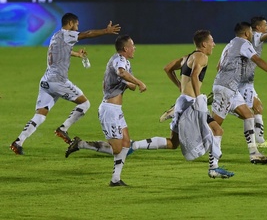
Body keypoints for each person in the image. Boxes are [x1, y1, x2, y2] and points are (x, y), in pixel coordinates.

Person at [124, 30, 234, 179]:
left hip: (182, 101)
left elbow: (167, 68)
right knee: (217, 130)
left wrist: (180, 86)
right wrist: (199, 96)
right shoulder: (202, 57)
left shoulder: (186, 57)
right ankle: (214, 168)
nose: (213, 45)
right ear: (204, 44)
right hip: (191, 104)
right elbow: (195, 75)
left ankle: (135, 145)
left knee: (173, 143)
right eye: (211, 41)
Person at [10, 13, 121, 155]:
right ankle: (63, 129)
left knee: (41, 114)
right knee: (84, 103)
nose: (77, 28)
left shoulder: (56, 36)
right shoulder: (67, 34)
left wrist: (77, 54)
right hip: (58, 81)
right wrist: (106, 31)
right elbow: (87, 34)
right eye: (76, 25)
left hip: (46, 80)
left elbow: (61, 51)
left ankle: (18, 142)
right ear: (70, 23)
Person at [67, 35, 147, 186]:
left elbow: (123, 79)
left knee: (126, 144)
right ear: (125, 49)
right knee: (117, 148)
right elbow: (122, 73)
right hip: (109, 110)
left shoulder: (122, 62)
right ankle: (81, 144)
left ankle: (115, 179)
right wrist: (139, 82)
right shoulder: (119, 60)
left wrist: (130, 83)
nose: (134, 48)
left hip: (116, 109)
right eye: (133, 46)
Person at [211, 22, 267, 164]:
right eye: (250, 32)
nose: (251, 35)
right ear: (246, 33)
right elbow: (257, 60)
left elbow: (218, 65)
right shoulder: (244, 43)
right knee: (214, 125)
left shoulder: (230, 44)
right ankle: (187, 125)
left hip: (230, 88)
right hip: (226, 88)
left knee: (249, 115)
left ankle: (254, 153)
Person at [238, 16, 267, 148]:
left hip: (247, 81)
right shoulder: (254, 36)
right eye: (265, 25)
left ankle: (260, 141)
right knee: (249, 111)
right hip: (242, 82)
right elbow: (260, 37)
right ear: (258, 27)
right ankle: (258, 143)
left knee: (258, 108)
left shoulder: (251, 38)